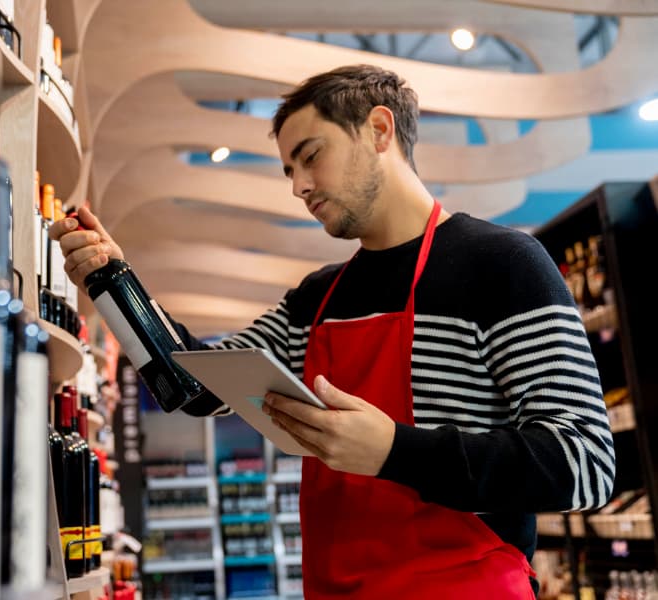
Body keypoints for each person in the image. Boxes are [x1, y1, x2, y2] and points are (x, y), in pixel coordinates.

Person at [53, 64, 615, 599]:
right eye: (288, 171)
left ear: (377, 130)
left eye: (310, 156)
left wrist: (395, 451)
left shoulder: (502, 264)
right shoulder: (316, 300)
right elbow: (193, 386)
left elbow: (585, 461)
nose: (298, 186)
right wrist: (110, 278)